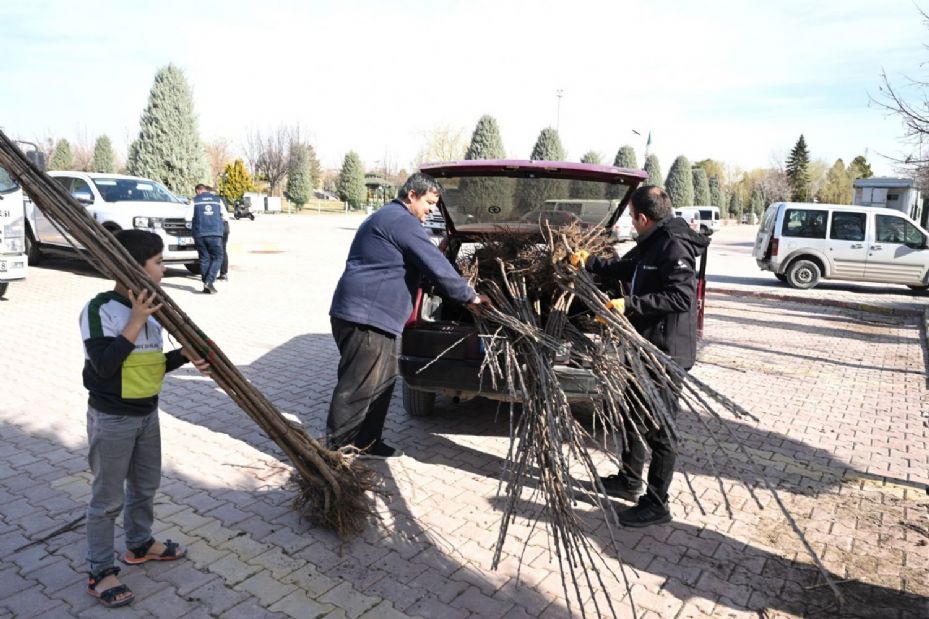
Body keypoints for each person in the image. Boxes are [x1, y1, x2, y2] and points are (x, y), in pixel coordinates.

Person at [80, 230, 211, 607]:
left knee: (145, 486)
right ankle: (100, 572)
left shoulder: (151, 313)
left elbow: (149, 364)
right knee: (106, 499)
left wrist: (183, 355)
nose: (164, 269)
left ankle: (139, 544)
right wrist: (136, 319)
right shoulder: (100, 309)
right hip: (113, 419)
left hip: (146, 414)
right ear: (133, 267)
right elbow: (105, 367)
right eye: (157, 261)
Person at [571, 185, 709, 527]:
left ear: (644, 218)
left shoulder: (674, 245)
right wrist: (589, 262)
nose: (632, 224)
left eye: (633, 218)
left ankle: (657, 502)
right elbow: (624, 269)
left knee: (661, 428)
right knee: (631, 411)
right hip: (642, 345)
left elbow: (680, 297)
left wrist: (628, 305)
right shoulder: (650, 243)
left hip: (665, 351)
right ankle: (629, 479)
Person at [327, 172, 486, 458]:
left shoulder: (391, 218)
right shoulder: (400, 220)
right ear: (411, 195)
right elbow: (434, 261)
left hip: (373, 318)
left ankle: (367, 442)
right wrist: (469, 296)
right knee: (357, 387)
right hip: (366, 318)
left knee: (381, 383)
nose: (431, 210)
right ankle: (337, 453)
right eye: (428, 202)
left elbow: (419, 270)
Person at [191, 183, 225, 294]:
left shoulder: (195, 200)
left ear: (198, 191)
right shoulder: (217, 200)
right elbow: (225, 216)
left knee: (204, 258)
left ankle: (206, 285)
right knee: (218, 257)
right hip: (215, 233)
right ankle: (209, 282)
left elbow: (187, 217)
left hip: (200, 234)